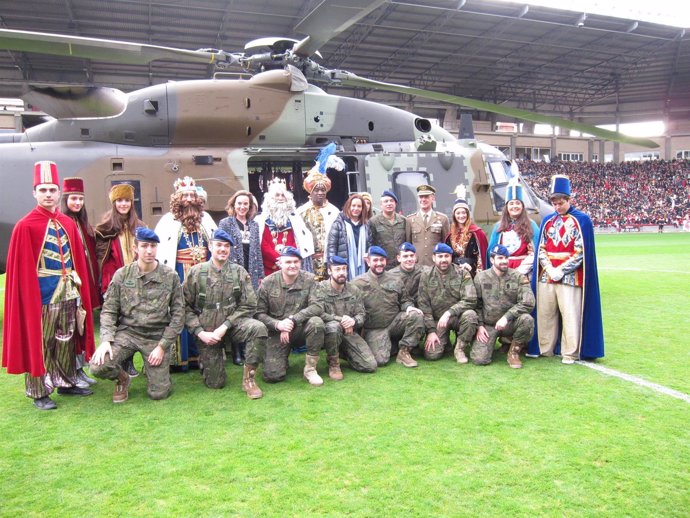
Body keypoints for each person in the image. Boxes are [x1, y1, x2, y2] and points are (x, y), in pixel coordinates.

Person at [2, 161, 95, 410]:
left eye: (52, 190)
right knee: (41, 342)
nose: (48, 195)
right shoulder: (25, 225)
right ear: (34, 193)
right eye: (43, 190)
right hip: (40, 295)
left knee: (66, 338)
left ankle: (65, 381)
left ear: (58, 193)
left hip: (67, 291)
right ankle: (38, 390)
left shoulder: (67, 222)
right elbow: (21, 270)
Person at [89, 228, 185, 402]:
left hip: (156, 336)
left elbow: (179, 315)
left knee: (159, 393)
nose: (149, 250)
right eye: (144, 246)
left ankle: (156, 374)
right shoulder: (122, 275)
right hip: (128, 333)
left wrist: (162, 346)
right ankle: (122, 378)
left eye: (153, 246)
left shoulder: (170, 276)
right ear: (135, 248)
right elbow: (109, 310)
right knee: (98, 366)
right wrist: (106, 341)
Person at [528, 175, 604, 363]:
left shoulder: (582, 220)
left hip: (570, 277)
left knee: (570, 315)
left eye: (561, 203)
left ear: (569, 200)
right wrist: (548, 267)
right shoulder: (548, 221)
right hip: (546, 276)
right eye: (554, 203)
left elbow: (581, 253)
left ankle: (570, 351)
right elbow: (542, 249)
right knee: (545, 314)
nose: (557, 207)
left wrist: (561, 270)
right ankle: (546, 347)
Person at [183, 229, 267, 398]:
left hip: (234, 326)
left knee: (258, 328)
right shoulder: (196, 272)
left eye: (226, 246)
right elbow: (184, 307)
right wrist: (200, 333)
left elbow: (249, 304)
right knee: (216, 383)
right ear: (210, 246)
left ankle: (249, 379)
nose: (222, 249)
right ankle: (206, 360)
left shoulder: (239, 272)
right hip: (207, 331)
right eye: (219, 245)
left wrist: (226, 325)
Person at [154, 176, 217, 371]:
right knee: (180, 311)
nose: (189, 199)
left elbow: (215, 244)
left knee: (203, 311)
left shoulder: (206, 219)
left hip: (204, 273)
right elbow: (160, 249)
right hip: (180, 271)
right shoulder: (167, 221)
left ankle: (204, 354)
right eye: (185, 195)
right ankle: (180, 358)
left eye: (192, 195)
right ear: (177, 199)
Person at [255, 247, 326, 386]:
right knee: (272, 376)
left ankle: (310, 369)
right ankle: (281, 359)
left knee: (316, 322)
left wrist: (293, 320)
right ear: (280, 263)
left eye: (296, 261)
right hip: (277, 333)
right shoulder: (268, 283)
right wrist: (277, 324)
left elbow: (317, 306)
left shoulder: (310, 279)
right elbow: (258, 313)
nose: (292, 265)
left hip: (300, 329)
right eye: (288, 262)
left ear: (300, 262)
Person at [94, 182, 144, 377]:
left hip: (137, 282)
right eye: (120, 201)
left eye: (127, 201)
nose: (123, 204)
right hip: (115, 283)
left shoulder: (139, 227)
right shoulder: (104, 229)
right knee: (117, 323)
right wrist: (108, 285)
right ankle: (119, 361)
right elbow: (102, 260)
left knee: (133, 323)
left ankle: (129, 362)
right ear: (114, 203)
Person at [352, 246, 424, 368]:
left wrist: (409, 307)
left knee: (416, 315)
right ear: (368, 261)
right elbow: (352, 308)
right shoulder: (357, 283)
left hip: (395, 322)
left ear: (386, 261)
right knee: (381, 361)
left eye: (382, 260)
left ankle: (404, 352)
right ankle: (392, 345)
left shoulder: (395, 279)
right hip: (375, 328)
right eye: (375, 260)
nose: (379, 263)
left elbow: (405, 300)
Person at [60, 176, 100, 387]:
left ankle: (80, 368)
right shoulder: (62, 223)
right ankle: (72, 371)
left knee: (83, 327)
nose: (77, 203)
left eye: (80, 199)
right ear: (65, 199)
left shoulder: (82, 224)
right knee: (72, 328)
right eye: (73, 198)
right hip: (68, 287)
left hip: (84, 285)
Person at [473, 245, 535, 368]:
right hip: (488, 325)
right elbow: (476, 304)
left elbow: (529, 302)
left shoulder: (518, 277)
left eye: (506, 257)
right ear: (492, 260)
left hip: (510, 323)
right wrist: (479, 326)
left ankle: (514, 352)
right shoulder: (481, 277)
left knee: (527, 320)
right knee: (480, 360)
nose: (504, 261)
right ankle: (498, 344)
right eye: (500, 258)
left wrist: (507, 317)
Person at [313, 255, 375, 375]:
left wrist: (353, 321)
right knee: (334, 327)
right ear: (329, 271)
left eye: (344, 269)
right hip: (327, 333)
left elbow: (361, 314)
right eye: (337, 269)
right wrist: (341, 320)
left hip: (348, 333)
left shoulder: (353, 289)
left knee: (370, 365)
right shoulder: (320, 289)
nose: (341, 272)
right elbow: (317, 313)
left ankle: (342, 352)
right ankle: (334, 363)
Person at [418, 243, 478, 362]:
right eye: (440, 256)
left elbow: (471, 299)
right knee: (432, 356)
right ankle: (445, 342)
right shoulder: (426, 275)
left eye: (446, 256)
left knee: (471, 315)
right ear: (434, 258)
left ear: (451, 257)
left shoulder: (462, 273)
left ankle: (460, 348)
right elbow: (423, 304)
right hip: (437, 321)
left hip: (457, 317)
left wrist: (449, 312)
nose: (443, 259)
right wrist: (431, 331)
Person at [255, 178, 314, 276]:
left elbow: (296, 242)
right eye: (277, 195)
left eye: (283, 195)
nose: (280, 198)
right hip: (269, 268)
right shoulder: (260, 220)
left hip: (290, 265)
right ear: (270, 199)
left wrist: (286, 258)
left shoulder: (295, 219)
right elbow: (263, 244)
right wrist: (277, 259)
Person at [486, 178, 539, 276]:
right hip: (502, 271)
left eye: (518, 203)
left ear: (522, 206)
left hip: (524, 272)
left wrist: (520, 271)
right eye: (511, 203)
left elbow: (537, 251)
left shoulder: (531, 225)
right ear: (507, 207)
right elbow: (492, 251)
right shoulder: (499, 226)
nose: (515, 206)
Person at [297, 171, 339, 281]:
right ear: (310, 192)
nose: (320, 193)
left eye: (323, 190)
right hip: (309, 261)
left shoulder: (334, 211)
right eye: (317, 190)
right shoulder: (301, 212)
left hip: (329, 260)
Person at [218, 190, 264, 291]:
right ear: (233, 205)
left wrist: (261, 275)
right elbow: (219, 248)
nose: (242, 207)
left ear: (250, 206)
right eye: (239, 203)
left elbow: (257, 251)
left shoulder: (254, 225)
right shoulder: (225, 223)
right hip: (232, 270)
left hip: (252, 270)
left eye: (245, 204)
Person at [327, 193, 370, 280]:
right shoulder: (338, 224)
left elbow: (370, 245)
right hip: (344, 268)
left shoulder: (366, 225)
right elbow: (331, 248)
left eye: (359, 206)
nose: (356, 209)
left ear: (362, 208)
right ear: (348, 206)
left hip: (363, 267)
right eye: (353, 205)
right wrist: (332, 266)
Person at [406, 184, 450, 267]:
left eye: (426, 197)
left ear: (433, 198)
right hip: (417, 265)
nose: (423, 199)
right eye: (421, 197)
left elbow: (446, 244)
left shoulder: (442, 219)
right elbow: (408, 244)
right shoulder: (410, 220)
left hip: (436, 265)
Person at [445, 198, 488, 278]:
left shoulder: (477, 233)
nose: (461, 216)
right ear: (454, 215)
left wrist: (479, 276)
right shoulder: (450, 235)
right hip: (454, 274)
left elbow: (481, 257)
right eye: (458, 213)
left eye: (463, 213)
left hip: (472, 272)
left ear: (467, 214)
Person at [369, 190, 408, 270]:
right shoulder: (374, 222)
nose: (389, 203)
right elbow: (371, 243)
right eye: (386, 201)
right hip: (383, 264)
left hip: (401, 264)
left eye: (391, 201)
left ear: (395, 204)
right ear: (381, 205)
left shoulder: (403, 220)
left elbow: (408, 241)